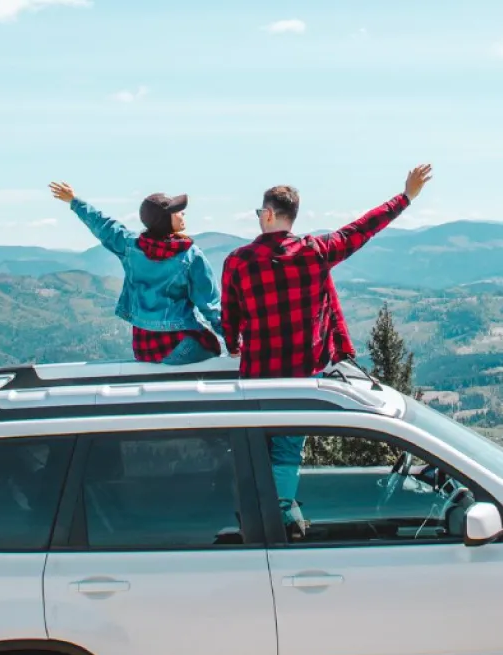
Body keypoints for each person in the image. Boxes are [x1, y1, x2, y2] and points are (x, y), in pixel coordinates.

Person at [220, 164, 434, 531]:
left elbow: (231, 315)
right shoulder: (316, 251)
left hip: (256, 376)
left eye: (259, 213)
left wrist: (232, 343)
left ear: (269, 214)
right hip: (303, 377)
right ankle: (282, 512)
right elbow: (363, 228)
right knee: (287, 448)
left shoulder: (238, 261)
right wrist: (405, 197)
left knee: (255, 443)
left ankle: (253, 513)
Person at [49, 182, 223, 364]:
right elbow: (211, 307)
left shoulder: (130, 246)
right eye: (178, 211)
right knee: (212, 345)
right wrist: (235, 343)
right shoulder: (191, 257)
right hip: (179, 345)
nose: (183, 214)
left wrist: (74, 201)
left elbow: (103, 226)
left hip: (144, 348)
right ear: (165, 219)